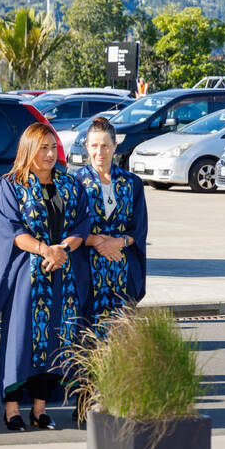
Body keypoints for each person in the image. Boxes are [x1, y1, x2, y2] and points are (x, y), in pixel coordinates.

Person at [0, 123, 90, 431]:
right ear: (28, 149)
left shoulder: (70, 184)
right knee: (20, 342)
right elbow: (9, 230)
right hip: (26, 278)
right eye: (42, 148)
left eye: (52, 147)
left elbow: (83, 224)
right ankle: (12, 411)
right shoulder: (9, 185)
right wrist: (45, 250)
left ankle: (39, 410)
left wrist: (62, 249)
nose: (49, 154)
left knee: (55, 341)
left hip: (62, 277)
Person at [75, 117, 148, 328]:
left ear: (115, 146)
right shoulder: (75, 183)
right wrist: (96, 241)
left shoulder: (132, 183)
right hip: (87, 268)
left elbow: (139, 228)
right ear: (87, 147)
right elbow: (68, 227)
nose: (100, 152)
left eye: (105, 146)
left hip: (122, 265)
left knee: (120, 331)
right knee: (88, 331)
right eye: (94, 146)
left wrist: (118, 242)